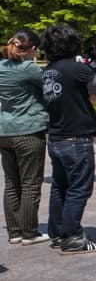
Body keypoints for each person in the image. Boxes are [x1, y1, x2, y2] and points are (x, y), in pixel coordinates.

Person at [41, 24, 96, 254]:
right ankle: (72, 237)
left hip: (56, 136)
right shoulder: (78, 69)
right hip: (76, 138)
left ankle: (58, 232)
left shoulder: (47, 71)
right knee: (79, 189)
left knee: (59, 187)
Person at [0, 29, 49, 246]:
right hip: (28, 130)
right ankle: (30, 232)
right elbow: (49, 88)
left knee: (11, 183)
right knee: (30, 183)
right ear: (32, 49)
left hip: (4, 130)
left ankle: (14, 232)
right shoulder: (29, 69)